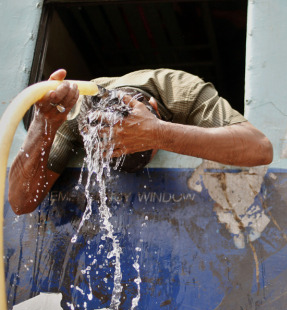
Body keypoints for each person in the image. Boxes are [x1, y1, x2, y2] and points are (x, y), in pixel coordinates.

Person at [8, 68, 273, 215]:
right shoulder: (79, 115)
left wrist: (158, 133)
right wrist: (43, 122)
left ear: (155, 107)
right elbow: (21, 202)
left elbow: (260, 147)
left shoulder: (181, 90)